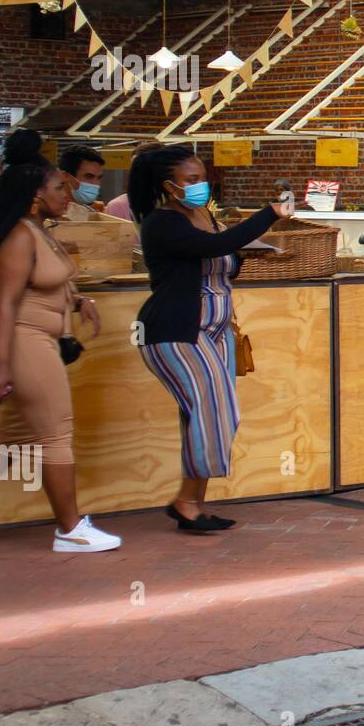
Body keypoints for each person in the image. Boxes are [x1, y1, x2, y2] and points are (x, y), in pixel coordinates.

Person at [0, 130, 120, 555]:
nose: (69, 191)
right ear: (35, 196)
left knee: (12, 442)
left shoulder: (37, 230)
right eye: (60, 186)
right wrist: (1, 366)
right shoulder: (19, 236)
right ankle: (71, 528)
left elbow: (47, 281)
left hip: (31, 342)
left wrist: (79, 299)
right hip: (21, 344)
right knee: (57, 433)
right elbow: (5, 304)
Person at [129, 144, 289, 534]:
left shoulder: (202, 215)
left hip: (212, 330)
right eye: (192, 180)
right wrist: (269, 214)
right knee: (217, 409)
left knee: (201, 414)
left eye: (203, 178)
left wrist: (249, 253)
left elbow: (223, 261)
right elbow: (215, 248)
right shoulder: (162, 222)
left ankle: (193, 504)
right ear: (169, 186)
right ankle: (186, 501)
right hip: (174, 330)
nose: (202, 185)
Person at [58, 144, 107, 221]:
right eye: (89, 177)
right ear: (66, 176)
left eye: (99, 178)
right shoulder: (50, 212)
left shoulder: (96, 212)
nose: (96, 184)